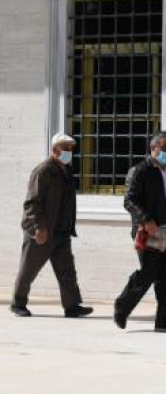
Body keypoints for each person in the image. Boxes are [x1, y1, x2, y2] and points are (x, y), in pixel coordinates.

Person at [113, 131, 166, 332]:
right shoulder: (140, 171)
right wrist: (145, 218)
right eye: (165, 147)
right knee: (149, 273)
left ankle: (164, 320)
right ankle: (122, 308)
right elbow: (129, 200)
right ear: (153, 149)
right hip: (147, 230)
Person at [11, 133, 93, 318]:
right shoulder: (43, 171)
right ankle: (18, 304)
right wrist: (38, 227)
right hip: (43, 231)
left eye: (71, 149)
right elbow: (33, 202)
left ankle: (72, 306)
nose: (69, 152)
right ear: (54, 150)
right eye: (65, 148)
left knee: (67, 272)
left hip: (62, 231)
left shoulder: (66, 171)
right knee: (28, 269)